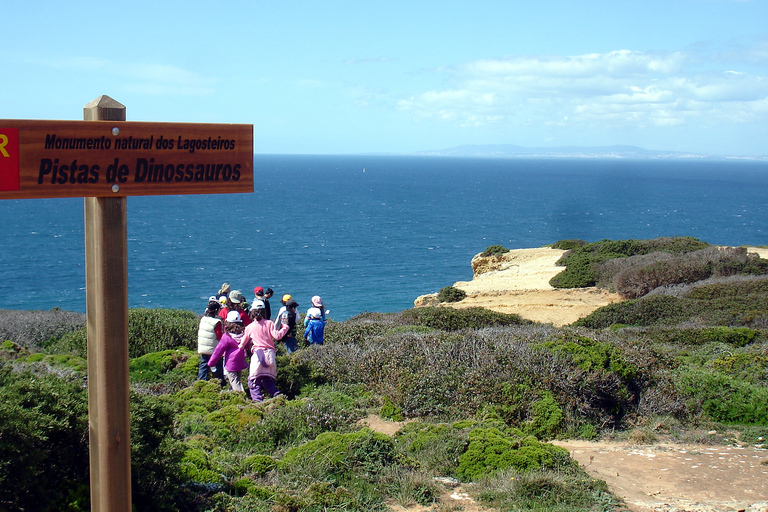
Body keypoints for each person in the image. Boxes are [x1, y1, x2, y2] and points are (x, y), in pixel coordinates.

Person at [240, 300, 289, 401]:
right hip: (270, 355)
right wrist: (285, 327)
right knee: (268, 379)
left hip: (258, 357)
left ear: (252, 312)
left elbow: (242, 344)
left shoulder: (250, 327)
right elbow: (277, 336)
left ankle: (258, 402)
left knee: (254, 381)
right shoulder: (269, 323)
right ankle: (277, 397)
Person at [208, 310, 249, 392]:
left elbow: (218, 351)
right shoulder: (244, 334)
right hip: (240, 361)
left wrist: (211, 363)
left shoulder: (227, 336)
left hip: (231, 363)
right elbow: (247, 345)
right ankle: (231, 395)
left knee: (234, 381)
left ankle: (242, 397)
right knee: (236, 380)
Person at [196, 297, 224, 384]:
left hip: (203, 347)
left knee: (203, 366)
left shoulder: (203, 319)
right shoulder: (217, 322)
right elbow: (220, 336)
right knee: (217, 367)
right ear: (216, 310)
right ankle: (220, 383)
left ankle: (200, 383)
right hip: (213, 349)